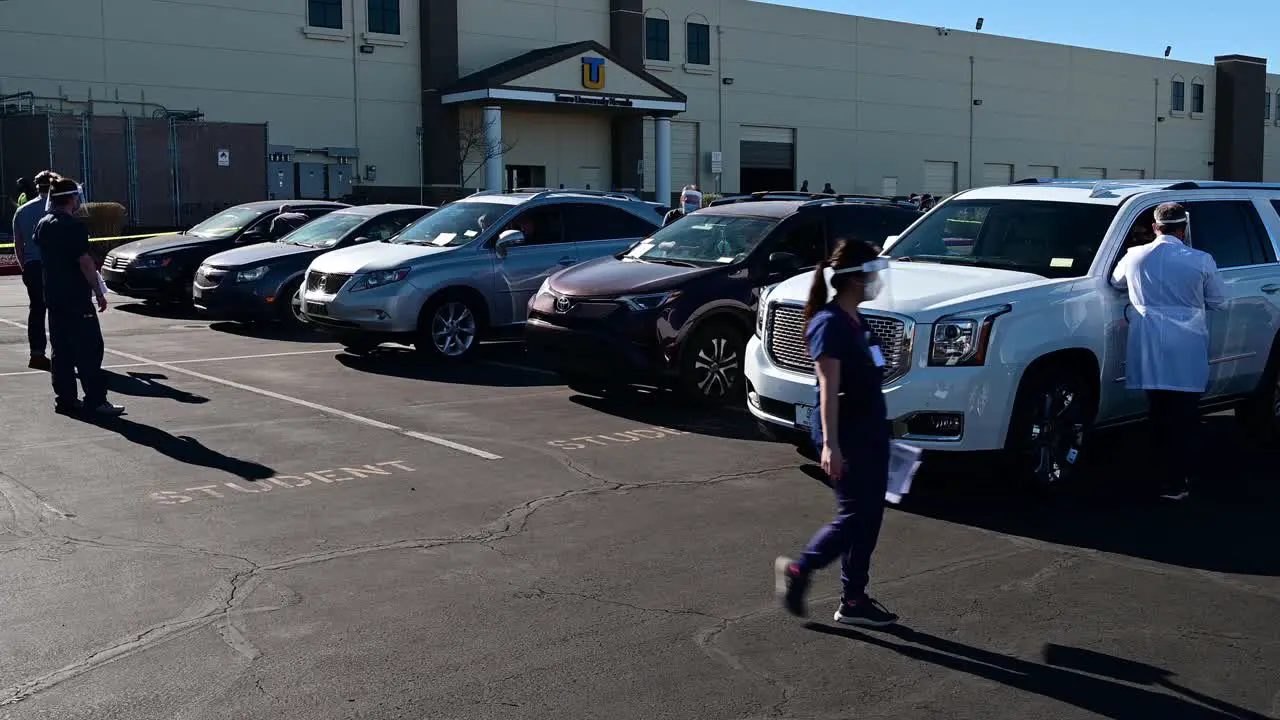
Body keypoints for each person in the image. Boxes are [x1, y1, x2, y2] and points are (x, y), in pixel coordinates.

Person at [776, 238, 898, 627]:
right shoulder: (828, 325)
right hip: (847, 434)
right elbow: (828, 389)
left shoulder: (858, 322)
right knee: (855, 517)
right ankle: (799, 570)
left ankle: (854, 599)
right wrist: (831, 445)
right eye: (872, 272)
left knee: (870, 517)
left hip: (872, 431)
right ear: (855, 279)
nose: (877, 280)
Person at [1111, 202, 1226, 501]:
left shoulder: (1134, 256)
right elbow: (1218, 301)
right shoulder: (1200, 260)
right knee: (1185, 415)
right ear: (1183, 228)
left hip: (1147, 341)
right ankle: (1178, 480)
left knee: (1157, 411)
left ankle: (1158, 475)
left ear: (1154, 227)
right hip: (1186, 343)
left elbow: (1115, 282)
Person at [33, 177, 124, 416]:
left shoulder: (44, 224)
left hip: (54, 296)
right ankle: (96, 400)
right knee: (89, 349)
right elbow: (84, 262)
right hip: (76, 298)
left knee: (61, 350)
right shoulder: (73, 227)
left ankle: (65, 400)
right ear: (73, 198)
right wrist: (98, 291)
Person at [12, 171, 60, 370]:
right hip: (54, 266)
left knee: (37, 311)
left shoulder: (22, 211)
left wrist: (25, 267)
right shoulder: (56, 210)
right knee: (59, 310)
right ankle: (62, 353)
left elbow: (18, 245)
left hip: (32, 266)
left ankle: (37, 354)